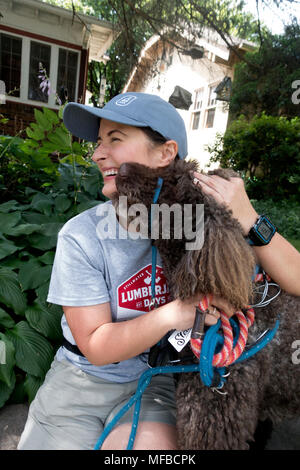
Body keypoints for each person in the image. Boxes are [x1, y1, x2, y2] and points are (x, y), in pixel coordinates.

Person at [18, 92, 300, 451]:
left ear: (165, 153)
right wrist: (175, 314)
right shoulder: (83, 234)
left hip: (158, 381)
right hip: (81, 380)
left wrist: (251, 220)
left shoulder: (200, 221)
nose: (97, 154)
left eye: (115, 139)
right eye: (98, 142)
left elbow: (296, 281)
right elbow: (96, 347)